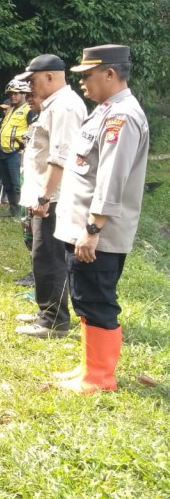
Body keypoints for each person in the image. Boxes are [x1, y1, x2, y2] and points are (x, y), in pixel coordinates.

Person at [50, 44, 149, 394]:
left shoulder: (122, 117)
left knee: (98, 299)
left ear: (110, 73)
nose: (82, 82)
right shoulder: (106, 111)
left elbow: (110, 178)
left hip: (97, 233)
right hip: (85, 229)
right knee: (86, 299)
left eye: (87, 75)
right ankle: (88, 369)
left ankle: (100, 378)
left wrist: (93, 229)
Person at [11, 55, 88, 338]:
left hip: (54, 198)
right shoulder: (53, 106)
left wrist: (44, 198)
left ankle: (53, 322)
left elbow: (61, 156)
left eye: (32, 80)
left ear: (51, 77)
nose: (30, 87)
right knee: (41, 255)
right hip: (46, 196)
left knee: (50, 258)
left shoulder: (65, 107)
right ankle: (46, 310)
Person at [0, 79, 33, 216]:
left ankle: (22, 212)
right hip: (3, 151)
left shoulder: (28, 110)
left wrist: (22, 143)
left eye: (16, 93)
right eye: (11, 94)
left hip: (16, 152)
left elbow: (33, 130)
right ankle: (13, 210)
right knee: (8, 183)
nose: (13, 96)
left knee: (18, 184)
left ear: (24, 94)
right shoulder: (11, 110)